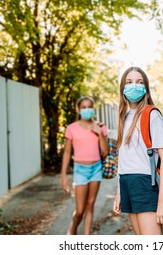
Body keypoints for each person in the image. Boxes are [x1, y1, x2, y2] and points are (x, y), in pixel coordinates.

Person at [113, 66, 163, 235]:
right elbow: (125, 158)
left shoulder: (152, 115)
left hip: (144, 183)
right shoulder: (124, 117)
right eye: (129, 82)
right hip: (127, 183)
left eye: (139, 82)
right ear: (123, 88)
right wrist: (119, 191)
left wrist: (162, 201)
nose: (134, 86)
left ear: (145, 88)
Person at [60, 96, 109, 235]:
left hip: (96, 169)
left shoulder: (101, 127)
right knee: (80, 210)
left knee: (90, 206)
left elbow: (105, 152)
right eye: (84, 107)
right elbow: (67, 152)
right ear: (78, 110)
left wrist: (99, 133)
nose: (87, 110)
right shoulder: (71, 128)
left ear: (93, 109)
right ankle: (72, 228)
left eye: (90, 107)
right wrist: (63, 176)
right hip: (80, 170)